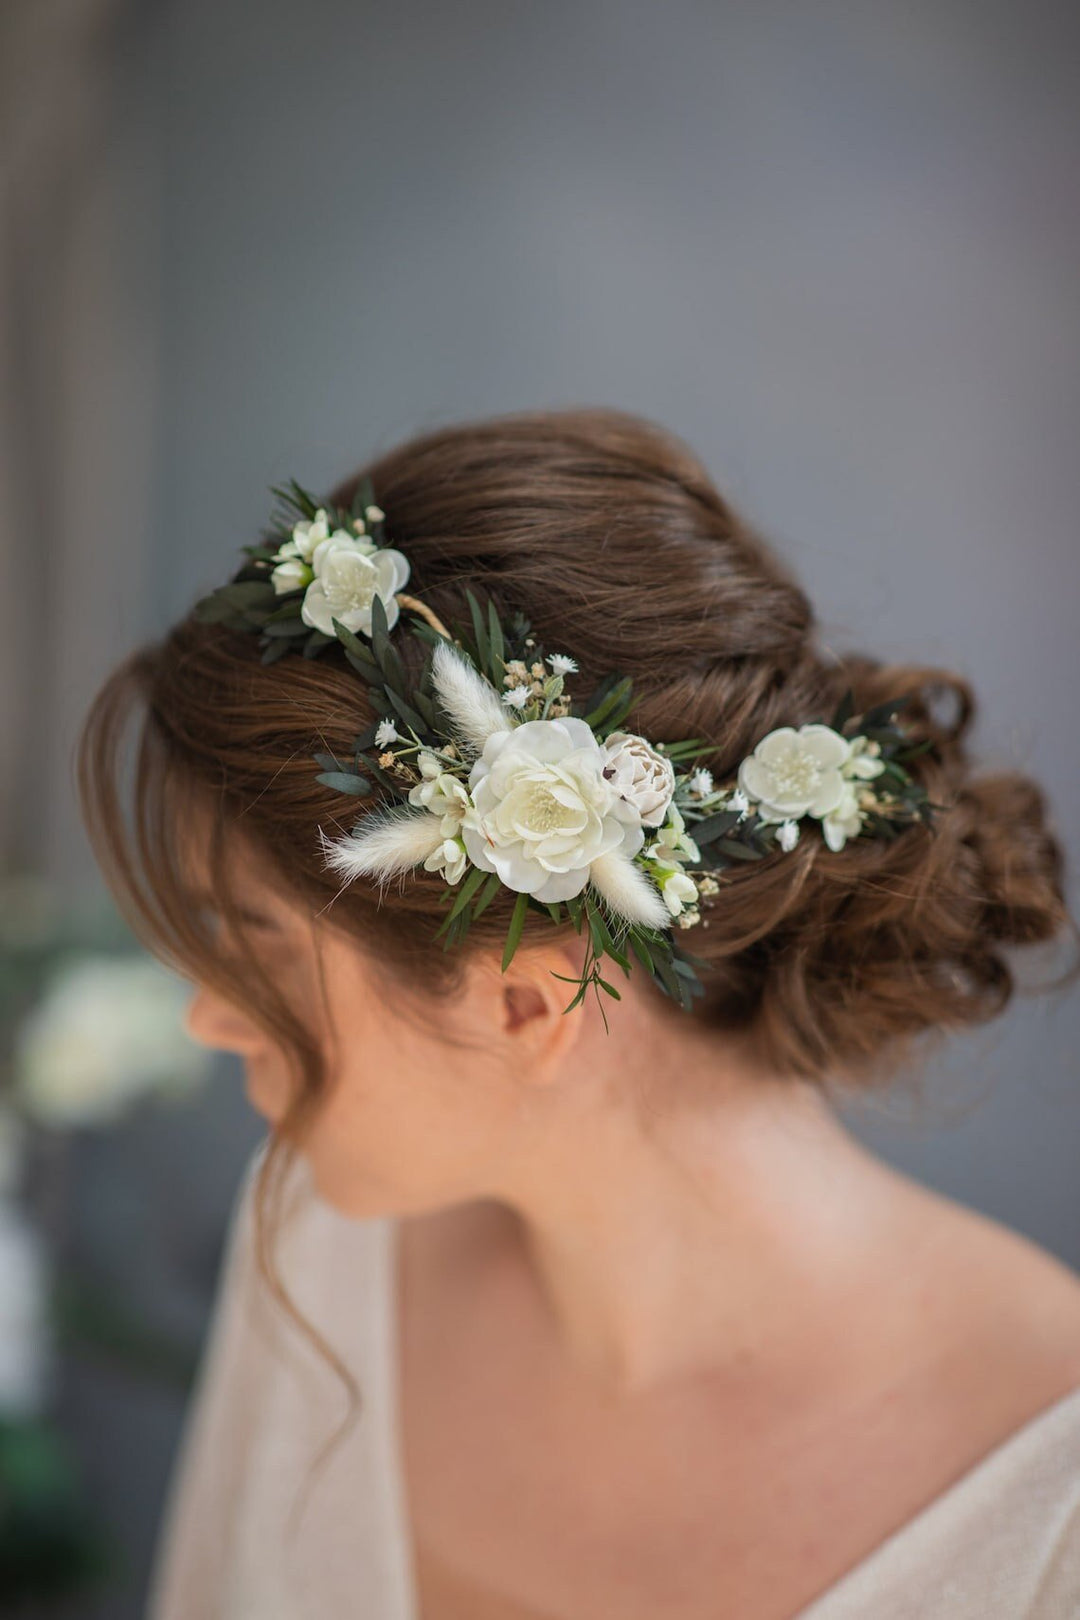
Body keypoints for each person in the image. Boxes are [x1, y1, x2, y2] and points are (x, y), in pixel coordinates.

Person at [76, 407, 1080, 1618]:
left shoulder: (1049, 1499)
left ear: (524, 1002)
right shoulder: (323, 1257)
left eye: (260, 944)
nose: (210, 1019)